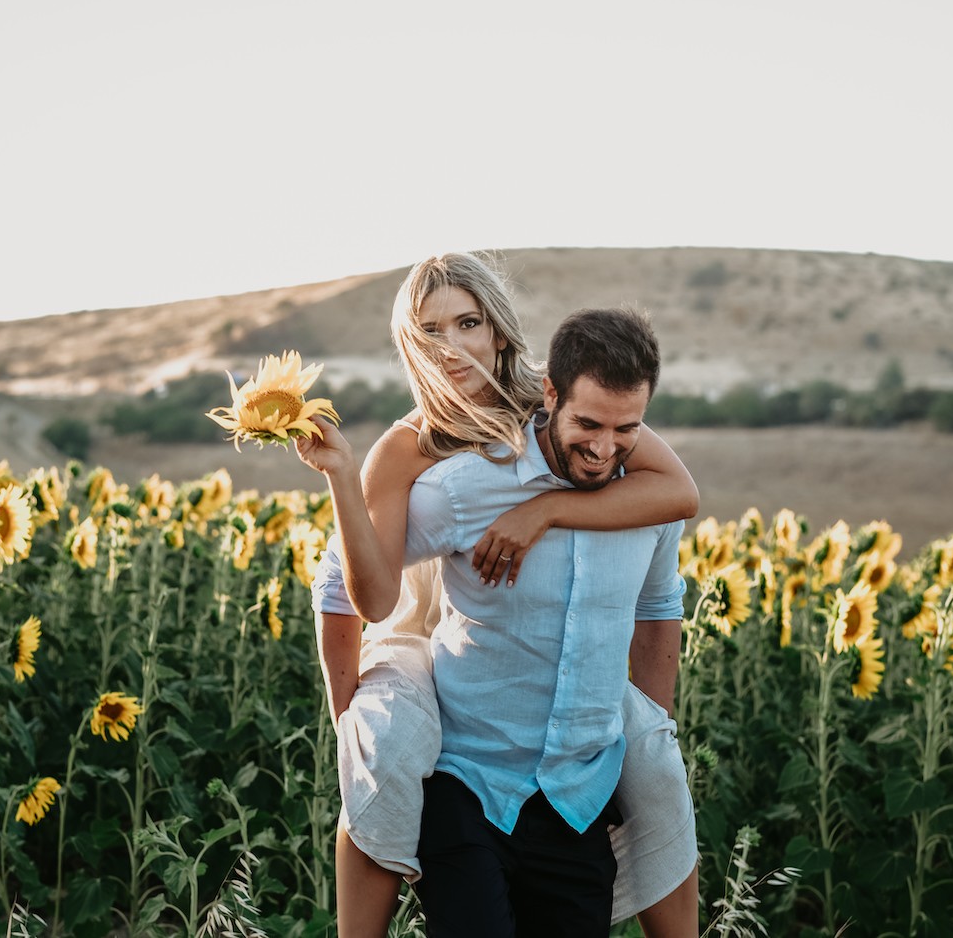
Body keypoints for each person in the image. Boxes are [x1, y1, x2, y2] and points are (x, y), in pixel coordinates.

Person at [294, 253, 699, 937]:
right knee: (384, 746)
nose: (450, 347)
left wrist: (543, 511)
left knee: (655, 760)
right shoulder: (408, 447)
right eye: (429, 331)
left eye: (467, 322)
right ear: (409, 345)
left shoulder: (570, 407)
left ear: (499, 332)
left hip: (556, 702)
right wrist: (345, 716)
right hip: (431, 652)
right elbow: (354, 589)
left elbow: (677, 494)